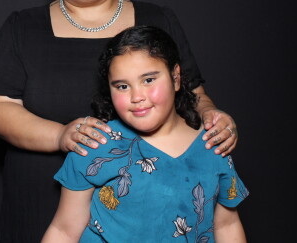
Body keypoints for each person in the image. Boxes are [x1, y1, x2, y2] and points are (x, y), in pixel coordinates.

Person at [0, 0, 238, 242]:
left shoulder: (157, 20)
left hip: (144, 207)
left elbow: (193, 94)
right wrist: (61, 135)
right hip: (40, 199)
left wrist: (214, 117)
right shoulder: (23, 27)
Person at [42, 26, 248, 242]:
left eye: (148, 80)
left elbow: (227, 225)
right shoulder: (95, 143)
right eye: (122, 86)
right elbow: (64, 230)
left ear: (176, 78)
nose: (136, 97)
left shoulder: (213, 143)